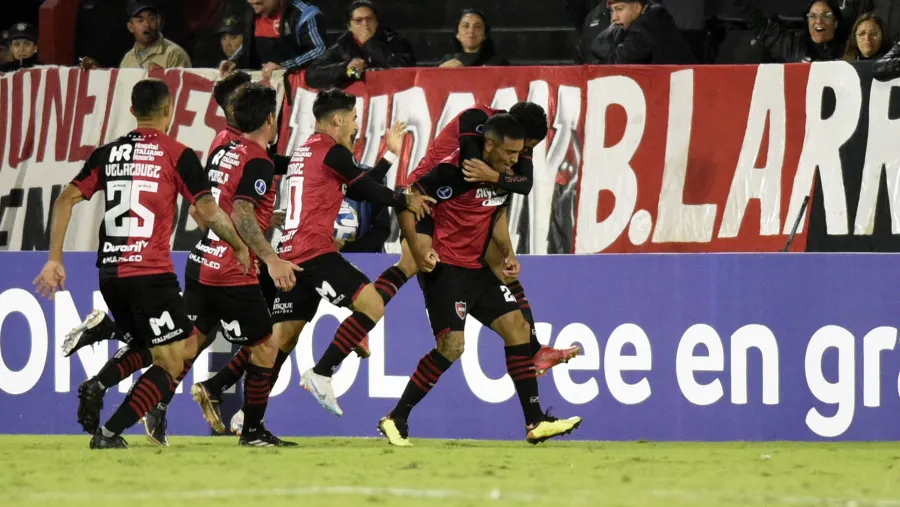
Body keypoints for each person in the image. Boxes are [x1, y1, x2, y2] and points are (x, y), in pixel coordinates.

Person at [33, 78, 249, 449]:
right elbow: (208, 211)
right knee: (175, 359)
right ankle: (108, 434)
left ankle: (101, 371)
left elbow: (64, 200)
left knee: (149, 345)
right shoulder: (176, 153)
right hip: (150, 274)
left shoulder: (107, 154)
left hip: (111, 273)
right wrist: (239, 245)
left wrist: (55, 259)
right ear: (170, 110)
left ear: (132, 112)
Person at [378, 114, 583, 447]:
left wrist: (508, 253)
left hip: (475, 269)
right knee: (452, 347)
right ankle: (396, 417)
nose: (515, 161)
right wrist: (417, 248)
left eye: (519, 154)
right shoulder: (451, 172)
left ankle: (535, 421)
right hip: (444, 270)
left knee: (518, 327)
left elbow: (497, 215)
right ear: (489, 145)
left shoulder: (505, 175)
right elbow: (407, 202)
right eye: (509, 153)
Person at [181, 83, 301, 447]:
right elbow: (242, 211)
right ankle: (252, 431)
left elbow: (206, 205)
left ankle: (144, 399)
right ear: (270, 119)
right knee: (266, 346)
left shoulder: (225, 149)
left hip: (203, 259)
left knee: (186, 345)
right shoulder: (258, 159)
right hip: (234, 268)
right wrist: (271, 258)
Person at [305, 0, 415, 89]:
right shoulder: (343, 46)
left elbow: (404, 68)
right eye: (358, 20)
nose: (365, 24)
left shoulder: (394, 40)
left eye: (369, 19)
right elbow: (312, 75)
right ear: (349, 26)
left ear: (377, 22)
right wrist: (346, 68)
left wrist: (369, 44)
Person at [225, 0, 326, 79]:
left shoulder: (303, 14)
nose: (256, 10)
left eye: (259, 3)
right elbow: (249, 44)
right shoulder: (252, 13)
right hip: (263, 90)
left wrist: (285, 66)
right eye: (251, 4)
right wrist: (235, 60)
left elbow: (320, 50)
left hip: (296, 88)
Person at [734, 0, 845, 63]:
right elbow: (762, 28)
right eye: (813, 16)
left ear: (835, 23)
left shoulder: (847, 48)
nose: (819, 21)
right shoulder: (793, 46)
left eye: (826, 16)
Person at [591, 0, 696, 64]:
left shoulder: (649, 24)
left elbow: (619, 63)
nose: (614, 17)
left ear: (637, 7)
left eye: (619, 9)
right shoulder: (647, 18)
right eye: (612, 11)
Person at [118, 0, 192, 69]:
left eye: (151, 19)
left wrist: (162, 76)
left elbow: (182, 82)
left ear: (159, 22)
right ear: (130, 27)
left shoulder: (174, 54)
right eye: (140, 20)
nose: (147, 25)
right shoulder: (127, 59)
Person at [438, 9, 508, 68]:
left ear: (485, 34)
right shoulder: (447, 61)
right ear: (457, 34)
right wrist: (440, 70)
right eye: (466, 26)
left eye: (478, 27)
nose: (471, 31)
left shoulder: (498, 63)